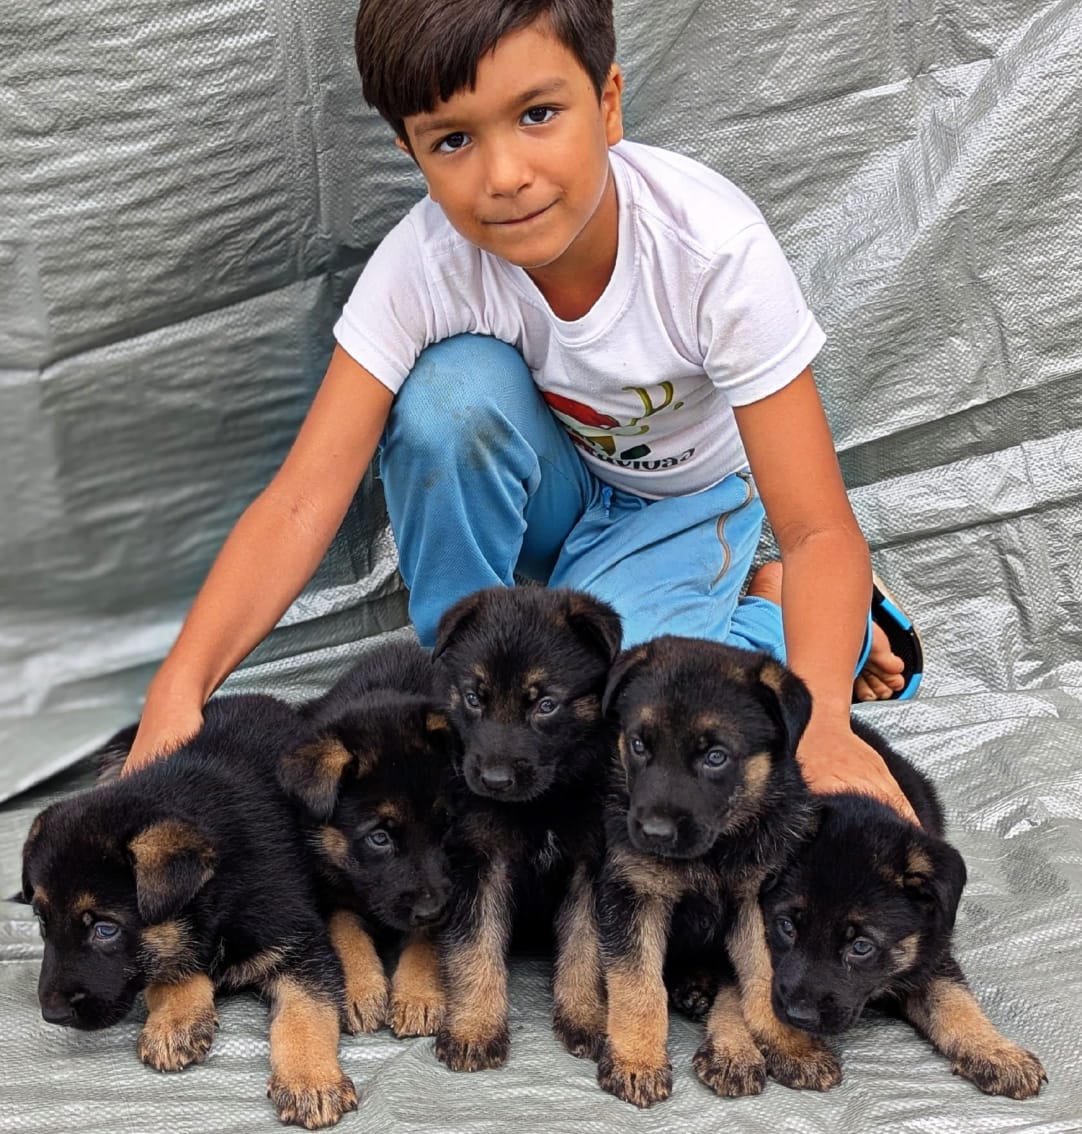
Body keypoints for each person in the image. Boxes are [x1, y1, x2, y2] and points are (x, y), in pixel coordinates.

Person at [122, 0, 923, 821]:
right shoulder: (424, 263)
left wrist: (821, 718)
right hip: (555, 493)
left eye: (538, 115)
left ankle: (778, 612)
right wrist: (181, 686)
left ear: (608, 103)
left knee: (624, 717)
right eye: (453, 140)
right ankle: (463, 687)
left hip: (678, 511)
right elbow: (300, 500)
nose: (504, 175)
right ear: (411, 151)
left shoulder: (710, 251)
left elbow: (819, 526)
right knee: (447, 395)